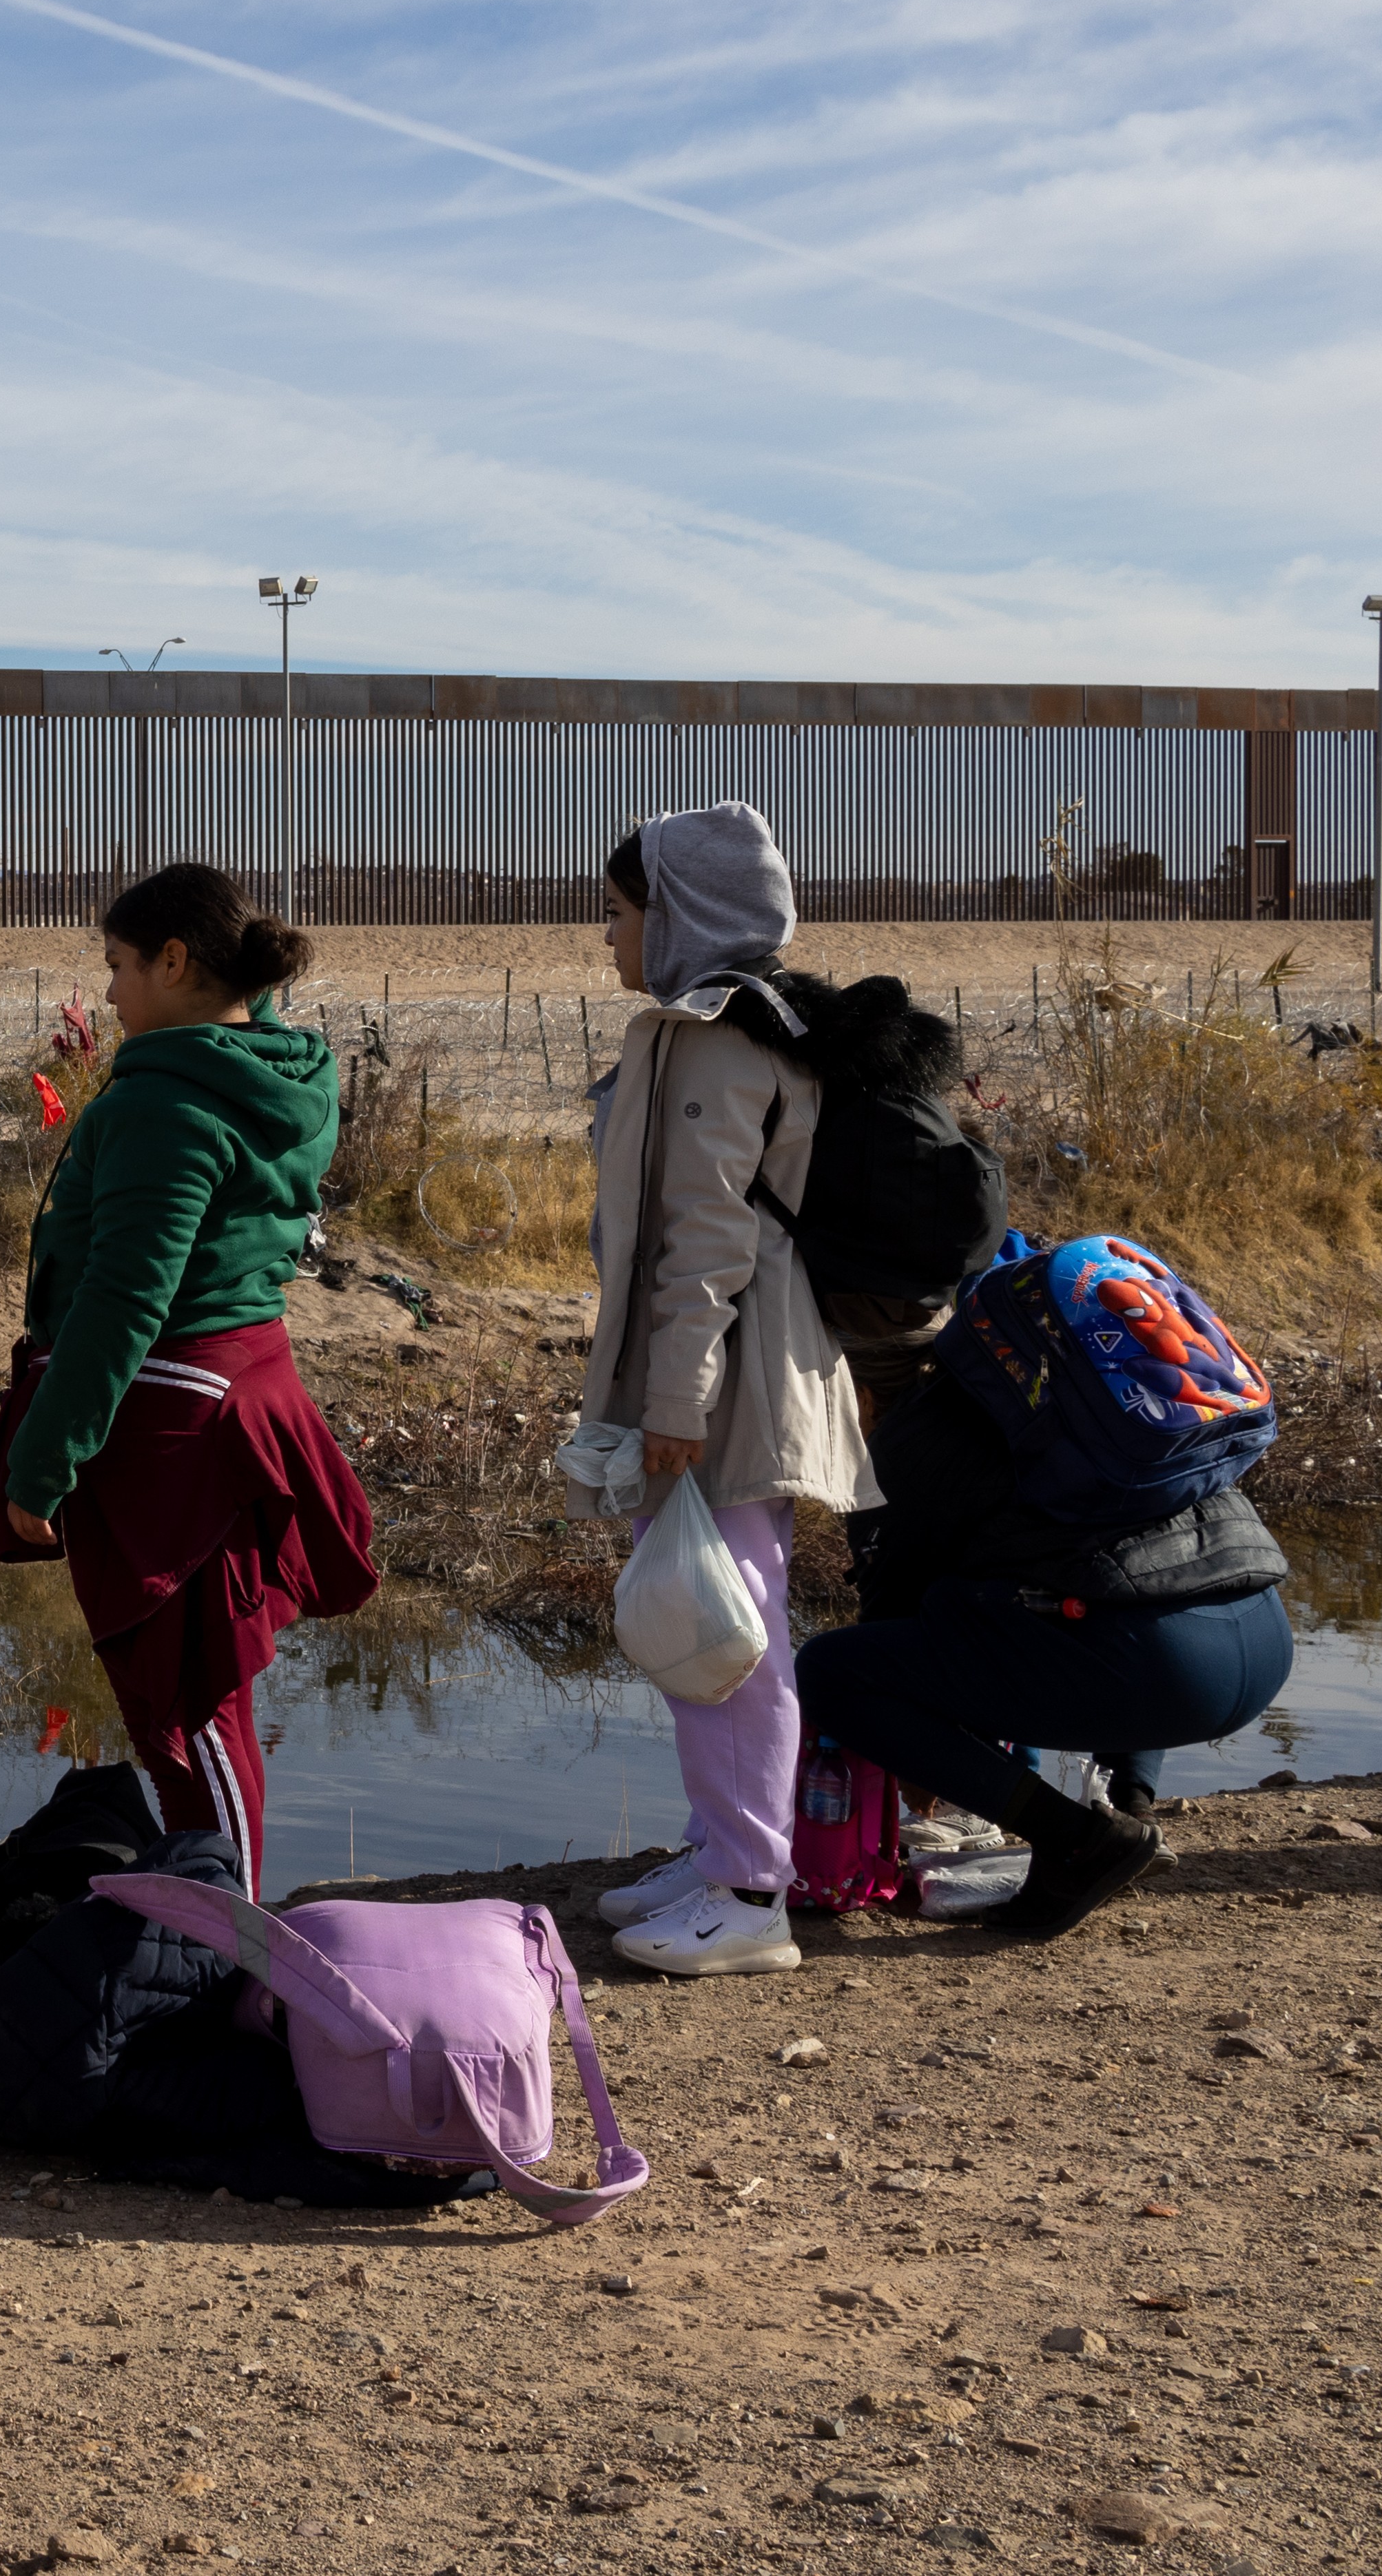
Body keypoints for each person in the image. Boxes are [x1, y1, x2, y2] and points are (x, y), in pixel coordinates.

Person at [0, 863, 373, 1885]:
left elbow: (123, 1300)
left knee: (182, 1702)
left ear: (173, 961)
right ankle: (208, 1920)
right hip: (242, 1390)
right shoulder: (276, 1070)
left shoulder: (164, 1101)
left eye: (117, 966)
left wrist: (41, 1468)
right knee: (204, 1701)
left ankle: (230, 1947)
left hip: (169, 1425)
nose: (107, 994)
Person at [572, 806, 876, 1981]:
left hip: (733, 1376)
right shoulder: (710, 1030)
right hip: (724, 1368)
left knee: (724, 1628)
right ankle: (720, 1851)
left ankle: (750, 1891)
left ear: (679, 913)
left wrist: (674, 1404)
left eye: (618, 910)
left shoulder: (716, 1040)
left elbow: (705, 1242)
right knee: (704, 1609)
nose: (606, 936)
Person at [794, 1375, 1289, 1938]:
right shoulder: (1081, 1395)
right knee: (1105, 1587)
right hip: (1263, 1639)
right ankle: (1129, 1813)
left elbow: (890, 1641)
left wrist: (925, 1768)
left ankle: (1080, 1841)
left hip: (1161, 1669)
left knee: (830, 1672)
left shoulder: (908, 1437)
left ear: (860, 1391)